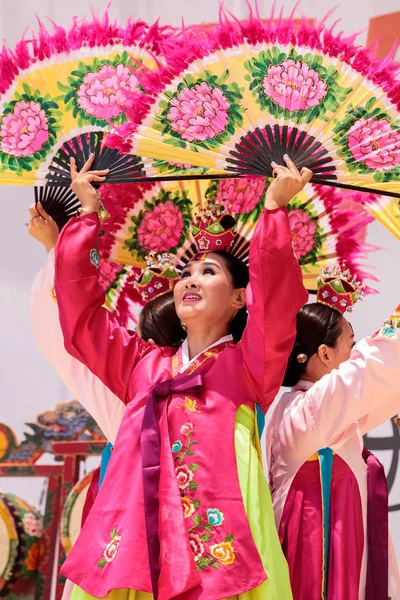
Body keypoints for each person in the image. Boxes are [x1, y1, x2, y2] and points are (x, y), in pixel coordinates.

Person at [54, 154, 312, 600]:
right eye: (185, 273)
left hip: (218, 545)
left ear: (238, 299)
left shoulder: (249, 365)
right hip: (138, 539)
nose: (189, 280)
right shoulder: (141, 364)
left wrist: (273, 208)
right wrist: (87, 216)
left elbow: (276, 302)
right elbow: (81, 321)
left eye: (207, 272)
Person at [28, 205, 185, 600]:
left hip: (140, 527)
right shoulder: (143, 379)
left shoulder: (130, 383)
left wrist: (55, 251)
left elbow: (59, 331)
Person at [266, 268, 400, 600]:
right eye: (350, 346)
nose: (354, 356)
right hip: (315, 543)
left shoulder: (315, 410)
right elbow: (371, 371)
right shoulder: (304, 410)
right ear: (325, 355)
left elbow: (380, 394)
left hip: (332, 534)